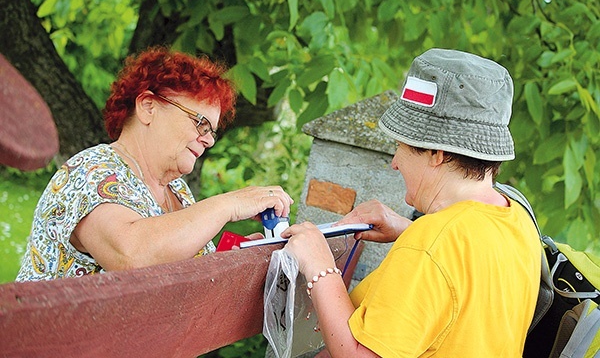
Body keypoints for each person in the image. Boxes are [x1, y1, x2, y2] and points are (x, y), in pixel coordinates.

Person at [281, 48, 541, 357]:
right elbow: (470, 276)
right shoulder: (518, 219)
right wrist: (408, 230)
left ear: (437, 153)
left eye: (402, 146)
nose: (394, 161)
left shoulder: (433, 244)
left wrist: (319, 266)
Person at [16, 46, 293, 281]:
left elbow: (177, 272)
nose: (208, 140)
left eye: (212, 131)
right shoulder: (91, 170)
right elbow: (131, 256)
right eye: (200, 123)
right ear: (148, 107)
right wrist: (228, 204)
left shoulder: (179, 191)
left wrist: (236, 257)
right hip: (49, 343)